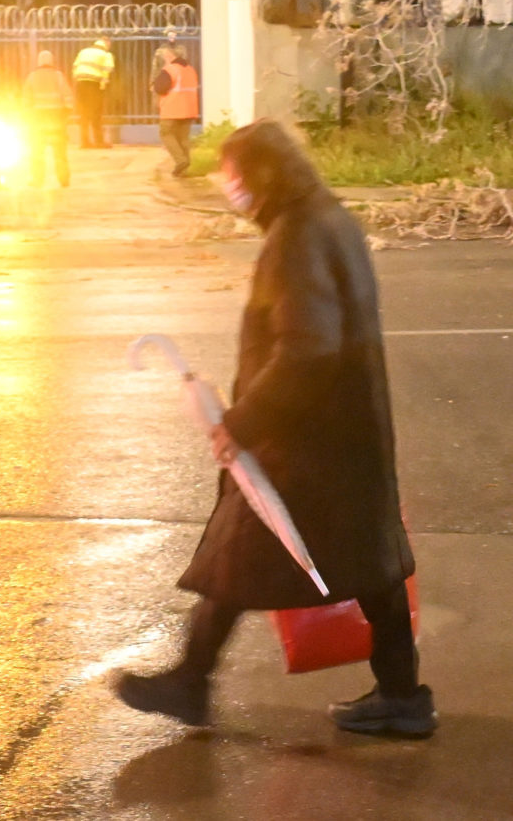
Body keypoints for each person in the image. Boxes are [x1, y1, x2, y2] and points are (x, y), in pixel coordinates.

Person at [114, 120, 430, 738]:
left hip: (306, 440)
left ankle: (189, 681)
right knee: (372, 564)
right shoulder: (332, 219)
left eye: (233, 178)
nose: (229, 190)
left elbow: (307, 348)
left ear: (261, 176)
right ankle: (402, 693)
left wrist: (242, 421)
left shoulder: (295, 236)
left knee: (237, 552)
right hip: (352, 429)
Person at [23, 48, 72, 188]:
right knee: (59, 151)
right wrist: (66, 113)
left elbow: (26, 99)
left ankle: (37, 180)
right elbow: (67, 96)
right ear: (52, 61)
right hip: (56, 118)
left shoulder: (31, 77)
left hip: (38, 120)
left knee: (37, 151)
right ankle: (64, 180)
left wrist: (28, 116)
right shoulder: (58, 76)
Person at [152, 46, 201, 178]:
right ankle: (184, 169)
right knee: (183, 138)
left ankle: (181, 161)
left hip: (172, 109)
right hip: (189, 109)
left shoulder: (170, 69)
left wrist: (154, 84)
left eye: (164, 57)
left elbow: (160, 88)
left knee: (166, 134)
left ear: (169, 56)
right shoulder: (190, 69)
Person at [71, 37, 116, 148]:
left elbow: (75, 67)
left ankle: (85, 142)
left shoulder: (84, 51)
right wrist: (103, 84)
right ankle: (99, 141)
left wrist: (76, 81)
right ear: (107, 44)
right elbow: (107, 70)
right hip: (94, 84)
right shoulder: (106, 55)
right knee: (96, 113)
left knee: (83, 114)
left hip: (80, 83)